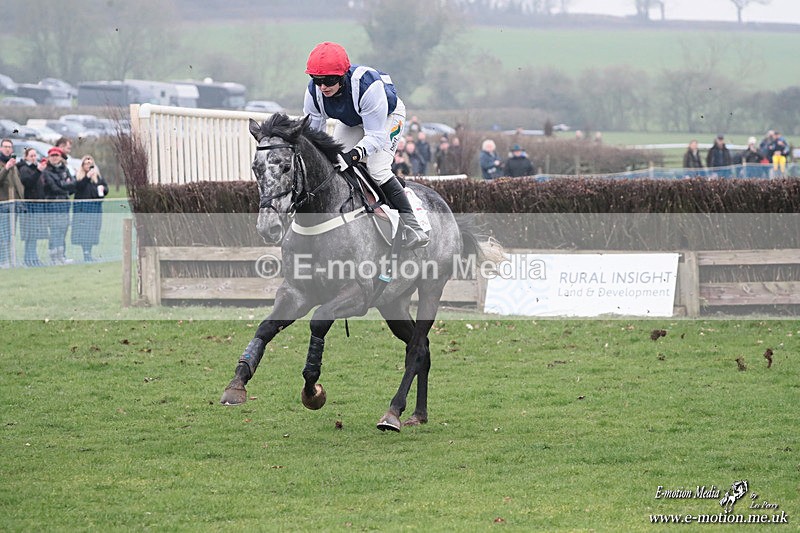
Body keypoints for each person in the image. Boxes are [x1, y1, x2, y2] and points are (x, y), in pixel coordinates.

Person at [302, 41, 428, 248]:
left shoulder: (368, 86)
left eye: (329, 80)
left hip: (387, 117)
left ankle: (413, 226)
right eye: (317, 80)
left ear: (342, 76)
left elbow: (375, 137)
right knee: (333, 164)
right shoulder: (314, 93)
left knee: (377, 168)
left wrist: (351, 156)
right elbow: (313, 135)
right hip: (352, 119)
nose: (323, 87)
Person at [42, 146, 76, 265]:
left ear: (60, 157)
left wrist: (63, 185)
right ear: (49, 157)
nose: (55, 158)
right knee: (55, 230)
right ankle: (54, 257)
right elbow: (53, 188)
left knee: (63, 229)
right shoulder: (46, 171)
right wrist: (64, 185)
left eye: (57, 156)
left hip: (64, 204)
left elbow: (73, 184)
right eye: (52, 156)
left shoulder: (65, 169)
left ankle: (62, 255)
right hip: (52, 204)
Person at [71, 155, 108, 262]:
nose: (88, 165)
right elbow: (78, 187)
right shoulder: (78, 176)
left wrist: (103, 189)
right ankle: (85, 253)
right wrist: (87, 177)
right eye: (86, 163)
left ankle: (89, 253)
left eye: (90, 163)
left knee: (93, 231)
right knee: (84, 232)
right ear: (82, 165)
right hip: (83, 209)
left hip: (95, 208)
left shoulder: (98, 177)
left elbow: (105, 188)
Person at [17, 147, 49, 266]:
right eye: (31, 156)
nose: (34, 158)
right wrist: (38, 171)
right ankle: (29, 258)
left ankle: (33, 257)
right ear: (26, 157)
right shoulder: (24, 169)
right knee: (30, 234)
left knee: (35, 234)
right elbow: (28, 183)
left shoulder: (37, 169)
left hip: (38, 204)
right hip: (30, 205)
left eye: (35, 155)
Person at [0, 139, 24, 268]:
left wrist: (21, 199)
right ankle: (3, 260)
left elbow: (17, 184)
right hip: (3, 205)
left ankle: (11, 260)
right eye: (5, 147)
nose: (7, 149)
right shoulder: (5, 164)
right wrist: (6, 168)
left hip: (14, 205)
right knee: (2, 236)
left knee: (11, 235)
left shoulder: (14, 165)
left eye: (10, 147)